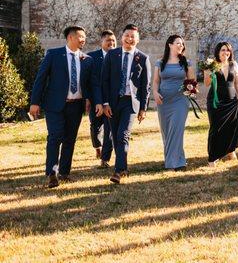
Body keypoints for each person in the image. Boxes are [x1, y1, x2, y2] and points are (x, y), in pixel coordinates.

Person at [29, 26, 95, 188]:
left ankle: (64, 172)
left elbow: (89, 83)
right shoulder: (54, 55)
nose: (83, 40)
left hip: (76, 106)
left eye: (84, 37)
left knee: (70, 139)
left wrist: (89, 99)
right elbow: (41, 79)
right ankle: (52, 173)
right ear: (70, 38)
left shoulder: (87, 59)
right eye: (80, 37)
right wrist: (34, 102)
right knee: (55, 136)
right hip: (55, 105)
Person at [102, 24, 152, 184]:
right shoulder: (112, 55)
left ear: (137, 40)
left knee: (123, 134)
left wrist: (143, 108)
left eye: (133, 36)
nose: (130, 39)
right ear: (122, 37)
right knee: (115, 136)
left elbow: (146, 86)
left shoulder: (143, 58)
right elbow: (105, 81)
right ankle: (123, 167)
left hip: (131, 103)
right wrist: (105, 103)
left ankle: (117, 172)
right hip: (113, 102)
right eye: (127, 35)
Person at [153, 35, 195, 170]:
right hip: (163, 101)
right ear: (170, 45)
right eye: (178, 43)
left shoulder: (186, 62)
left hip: (180, 100)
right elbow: (155, 81)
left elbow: (192, 81)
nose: (181, 45)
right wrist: (155, 93)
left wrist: (191, 91)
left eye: (182, 44)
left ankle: (175, 164)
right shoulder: (160, 62)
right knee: (167, 131)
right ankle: (177, 158)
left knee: (176, 130)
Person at [203, 41, 238, 166]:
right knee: (215, 129)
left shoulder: (234, 64)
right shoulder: (211, 64)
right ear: (218, 52)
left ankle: (230, 152)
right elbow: (206, 83)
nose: (225, 52)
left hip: (231, 101)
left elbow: (237, 83)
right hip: (215, 101)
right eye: (223, 50)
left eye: (227, 50)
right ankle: (212, 158)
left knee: (231, 127)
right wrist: (209, 72)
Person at [88, 30, 116, 168]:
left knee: (110, 130)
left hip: (112, 101)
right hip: (96, 100)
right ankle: (97, 146)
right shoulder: (92, 57)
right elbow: (90, 81)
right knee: (96, 126)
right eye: (108, 40)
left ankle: (105, 159)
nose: (111, 43)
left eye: (113, 41)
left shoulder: (119, 56)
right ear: (102, 42)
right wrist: (90, 99)